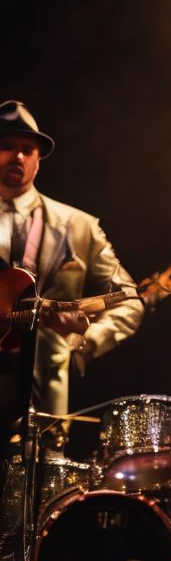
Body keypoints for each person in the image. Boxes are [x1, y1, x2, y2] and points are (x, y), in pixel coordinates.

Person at [0, 100, 143, 437]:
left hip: (42, 406)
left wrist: (82, 340)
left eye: (27, 149)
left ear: (38, 160)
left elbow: (130, 300)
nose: (17, 157)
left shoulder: (79, 226)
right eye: (6, 146)